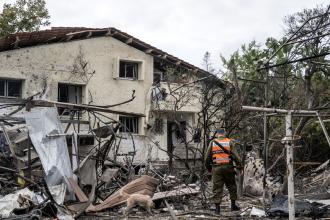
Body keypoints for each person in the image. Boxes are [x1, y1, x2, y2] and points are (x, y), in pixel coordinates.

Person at [204, 128, 242, 214]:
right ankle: (233, 206)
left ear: (217, 134)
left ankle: (217, 209)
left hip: (216, 168)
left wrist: (209, 169)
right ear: (224, 133)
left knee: (217, 188)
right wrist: (239, 167)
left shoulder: (212, 143)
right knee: (232, 186)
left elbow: (207, 158)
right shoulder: (229, 142)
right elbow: (236, 156)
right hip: (228, 167)